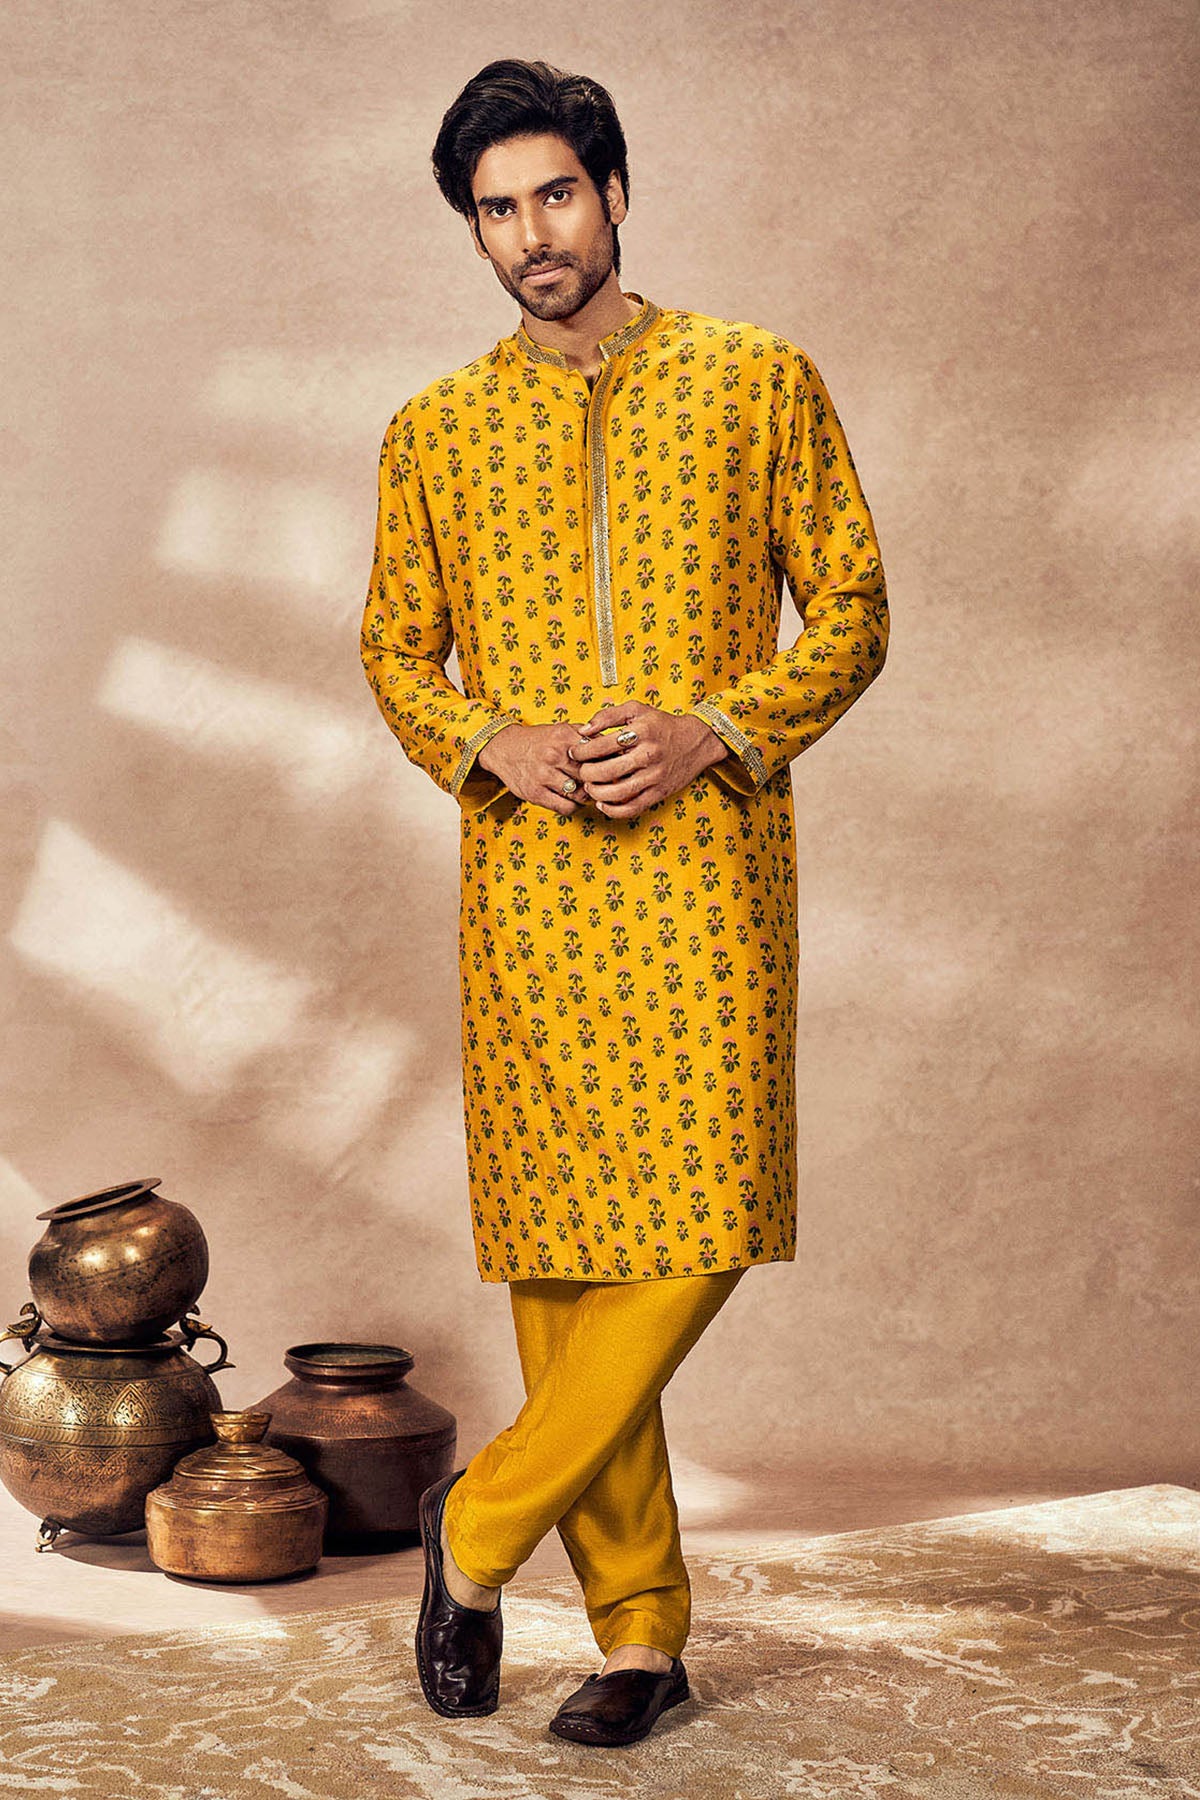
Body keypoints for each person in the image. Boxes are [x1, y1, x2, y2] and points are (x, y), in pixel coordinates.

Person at [360, 57, 889, 1748]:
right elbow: (396, 650)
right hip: (530, 883)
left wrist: (713, 728)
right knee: (562, 1251)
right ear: (472, 229)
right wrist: (490, 744)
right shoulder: (436, 431)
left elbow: (853, 609)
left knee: (709, 1208)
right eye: (497, 210)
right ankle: (639, 1637)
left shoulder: (755, 379)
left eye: (557, 195)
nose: (533, 235)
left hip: (709, 864)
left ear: (613, 191)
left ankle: (478, 1522)